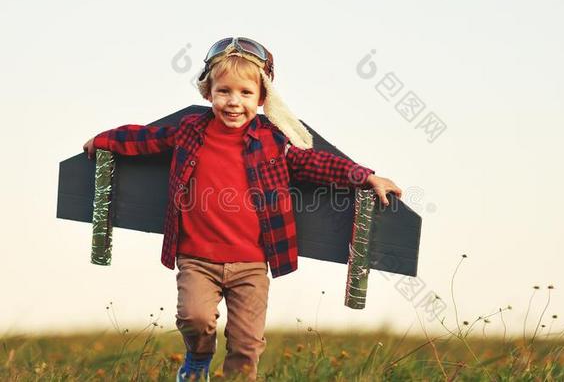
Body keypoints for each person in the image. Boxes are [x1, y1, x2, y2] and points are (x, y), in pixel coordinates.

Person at [83, 37, 403, 381]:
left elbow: (315, 164)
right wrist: (104, 139)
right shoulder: (191, 131)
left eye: (246, 93)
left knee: (246, 344)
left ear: (262, 97)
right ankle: (197, 359)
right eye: (224, 92)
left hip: (250, 264)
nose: (234, 102)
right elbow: (145, 138)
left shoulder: (271, 140)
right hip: (196, 258)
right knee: (194, 318)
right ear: (209, 93)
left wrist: (365, 176)